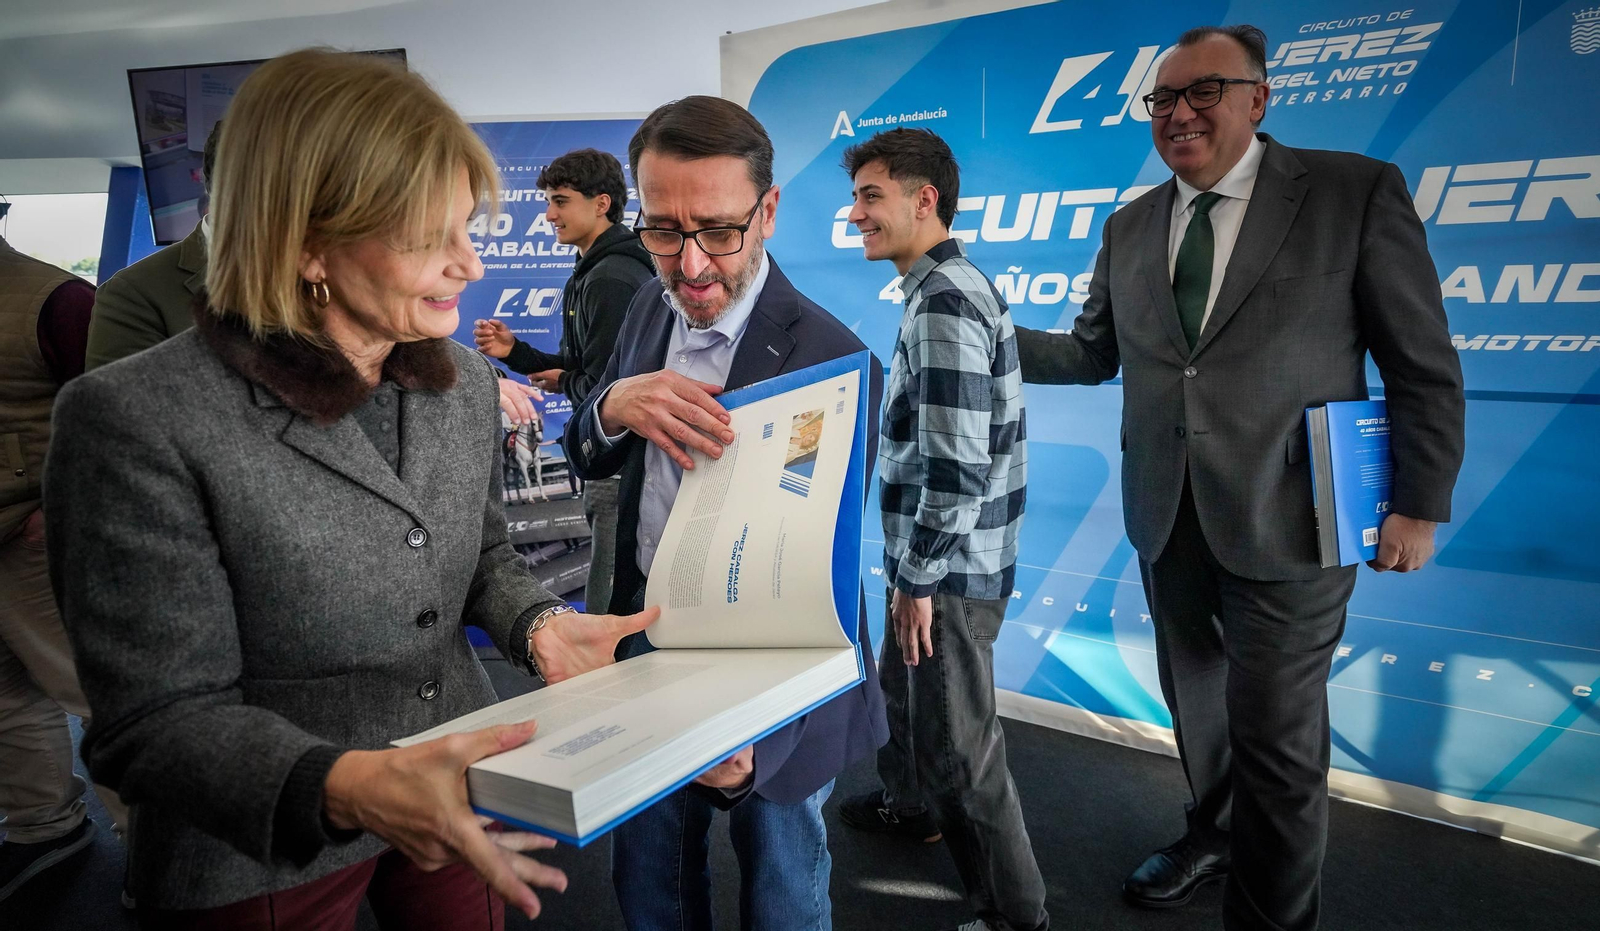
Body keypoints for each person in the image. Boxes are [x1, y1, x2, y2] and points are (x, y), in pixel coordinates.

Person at [43, 49, 656, 929]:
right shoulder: (134, 418)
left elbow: (481, 555)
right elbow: (153, 721)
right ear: (305, 244)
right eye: (426, 237)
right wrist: (348, 783)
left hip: (453, 776)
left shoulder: (465, 383)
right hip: (251, 846)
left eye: (467, 227)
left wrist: (540, 626)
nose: (468, 265)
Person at [1012, 25, 1465, 931]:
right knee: (1204, 720)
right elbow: (1095, 352)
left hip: (1294, 518)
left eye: (1203, 92)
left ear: (1258, 98)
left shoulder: (1351, 192)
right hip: (1168, 516)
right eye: (1163, 100)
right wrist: (980, 331)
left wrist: (1418, 503)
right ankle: (1214, 833)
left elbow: (1421, 363)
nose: (1179, 114)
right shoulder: (1131, 223)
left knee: (1281, 751)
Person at [564, 95, 888, 931]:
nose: (691, 265)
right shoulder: (645, 306)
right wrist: (611, 406)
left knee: (782, 888)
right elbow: (589, 448)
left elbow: (820, 586)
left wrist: (759, 744)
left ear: (769, 210)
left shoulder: (835, 361)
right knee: (650, 883)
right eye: (663, 232)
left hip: (769, 676)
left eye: (717, 230)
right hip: (645, 646)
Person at [835, 129, 1046, 931]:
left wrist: (917, 578)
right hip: (934, 557)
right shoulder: (938, 289)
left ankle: (1013, 912)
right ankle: (909, 806)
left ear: (925, 200)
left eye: (871, 196)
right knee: (909, 700)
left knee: (962, 743)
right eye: (858, 196)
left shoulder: (946, 302)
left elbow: (958, 469)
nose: (856, 213)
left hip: (949, 568)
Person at [0, 237, 130, 905]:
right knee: (6, 699)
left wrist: (65, 504)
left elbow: (117, 415)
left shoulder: (57, 298)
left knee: (90, 688)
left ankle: (157, 843)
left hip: (37, 536)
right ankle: (42, 825)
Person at [475, 148, 653, 612]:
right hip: (613, 460)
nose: (549, 214)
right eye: (549, 201)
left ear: (601, 204)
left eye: (560, 201)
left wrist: (570, 380)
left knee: (609, 608)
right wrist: (515, 352)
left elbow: (604, 388)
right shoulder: (595, 269)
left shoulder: (611, 277)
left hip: (618, 464)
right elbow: (583, 367)